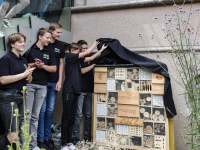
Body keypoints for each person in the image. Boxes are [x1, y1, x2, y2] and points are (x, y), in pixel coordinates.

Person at [61, 42, 107, 150]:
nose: (80, 52)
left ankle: (69, 143)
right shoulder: (70, 57)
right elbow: (88, 52)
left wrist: (101, 50)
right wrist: (95, 44)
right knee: (66, 118)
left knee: (72, 118)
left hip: (76, 91)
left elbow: (90, 58)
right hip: (69, 90)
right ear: (72, 51)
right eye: (78, 50)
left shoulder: (77, 60)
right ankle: (63, 144)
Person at [21, 28, 57, 150]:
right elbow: (22, 64)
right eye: (47, 37)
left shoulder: (50, 50)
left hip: (43, 86)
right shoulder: (30, 48)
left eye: (50, 38)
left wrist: (43, 66)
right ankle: (24, 144)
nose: (49, 40)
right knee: (27, 116)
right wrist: (33, 65)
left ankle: (33, 145)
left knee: (35, 116)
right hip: (29, 85)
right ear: (40, 37)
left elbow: (54, 69)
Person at [0, 33, 35, 150]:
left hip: (21, 97)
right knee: (12, 135)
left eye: (23, 41)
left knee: (17, 134)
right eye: (20, 41)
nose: (23, 44)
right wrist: (23, 74)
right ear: (12, 44)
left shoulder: (23, 60)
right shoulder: (6, 59)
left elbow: (28, 81)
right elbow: (3, 80)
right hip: (8, 97)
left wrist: (28, 76)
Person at [37, 22, 65, 150]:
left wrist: (60, 81)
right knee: (41, 111)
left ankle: (48, 139)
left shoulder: (60, 46)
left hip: (54, 82)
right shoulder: (46, 44)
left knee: (49, 111)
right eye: (58, 32)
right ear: (51, 31)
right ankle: (40, 139)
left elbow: (60, 65)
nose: (59, 34)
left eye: (60, 32)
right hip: (42, 82)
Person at [73, 40, 95, 144]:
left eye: (87, 48)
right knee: (78, 115)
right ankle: (75, 139)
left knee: (88, 115)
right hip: (80, 90)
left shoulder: (90, 57)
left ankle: (87, 139)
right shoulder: (77, 59)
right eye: (83, 49)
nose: (85, 50)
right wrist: (93, 65)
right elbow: (82, 71)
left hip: (90, 90)